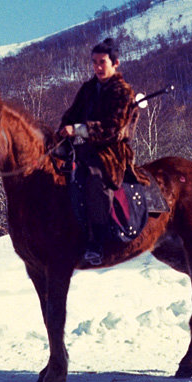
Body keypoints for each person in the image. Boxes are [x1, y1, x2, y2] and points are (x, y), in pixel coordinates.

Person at [56, 37, 139, 265]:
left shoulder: (123, 91)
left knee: (95, 180)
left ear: (115, 63)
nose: (97, 67)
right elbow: (71, 114)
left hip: (111, 152)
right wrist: (62, 133)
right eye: (94, 62)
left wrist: (79, 129)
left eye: (102, 62)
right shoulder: (88, 88)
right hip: (84, 148)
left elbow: (113, 129)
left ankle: (98, 240)